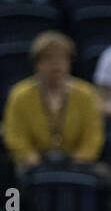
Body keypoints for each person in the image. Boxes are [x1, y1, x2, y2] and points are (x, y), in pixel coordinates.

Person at [3, 30, 103, 175]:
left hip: (77, 164)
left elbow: (93, 136)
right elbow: (14, 135)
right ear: (37, 63)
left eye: (62, 58)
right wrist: (29, 157)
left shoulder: (86, 94)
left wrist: (80, 159)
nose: (56, 65)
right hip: (32, 164)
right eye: (49, 59)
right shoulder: (20, 95)